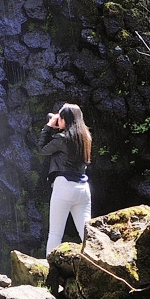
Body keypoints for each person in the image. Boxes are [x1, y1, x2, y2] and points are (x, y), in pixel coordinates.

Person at [38, 102, 92, 256]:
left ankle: (49, 273)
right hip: (83, 189)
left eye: (60, 118)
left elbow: (42, 148)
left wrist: (48, 126)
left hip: (64, 187)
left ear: (64, 120)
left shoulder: (61, 139)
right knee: (87, 234)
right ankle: (99, 265)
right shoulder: (86, 138)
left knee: (55, 234)